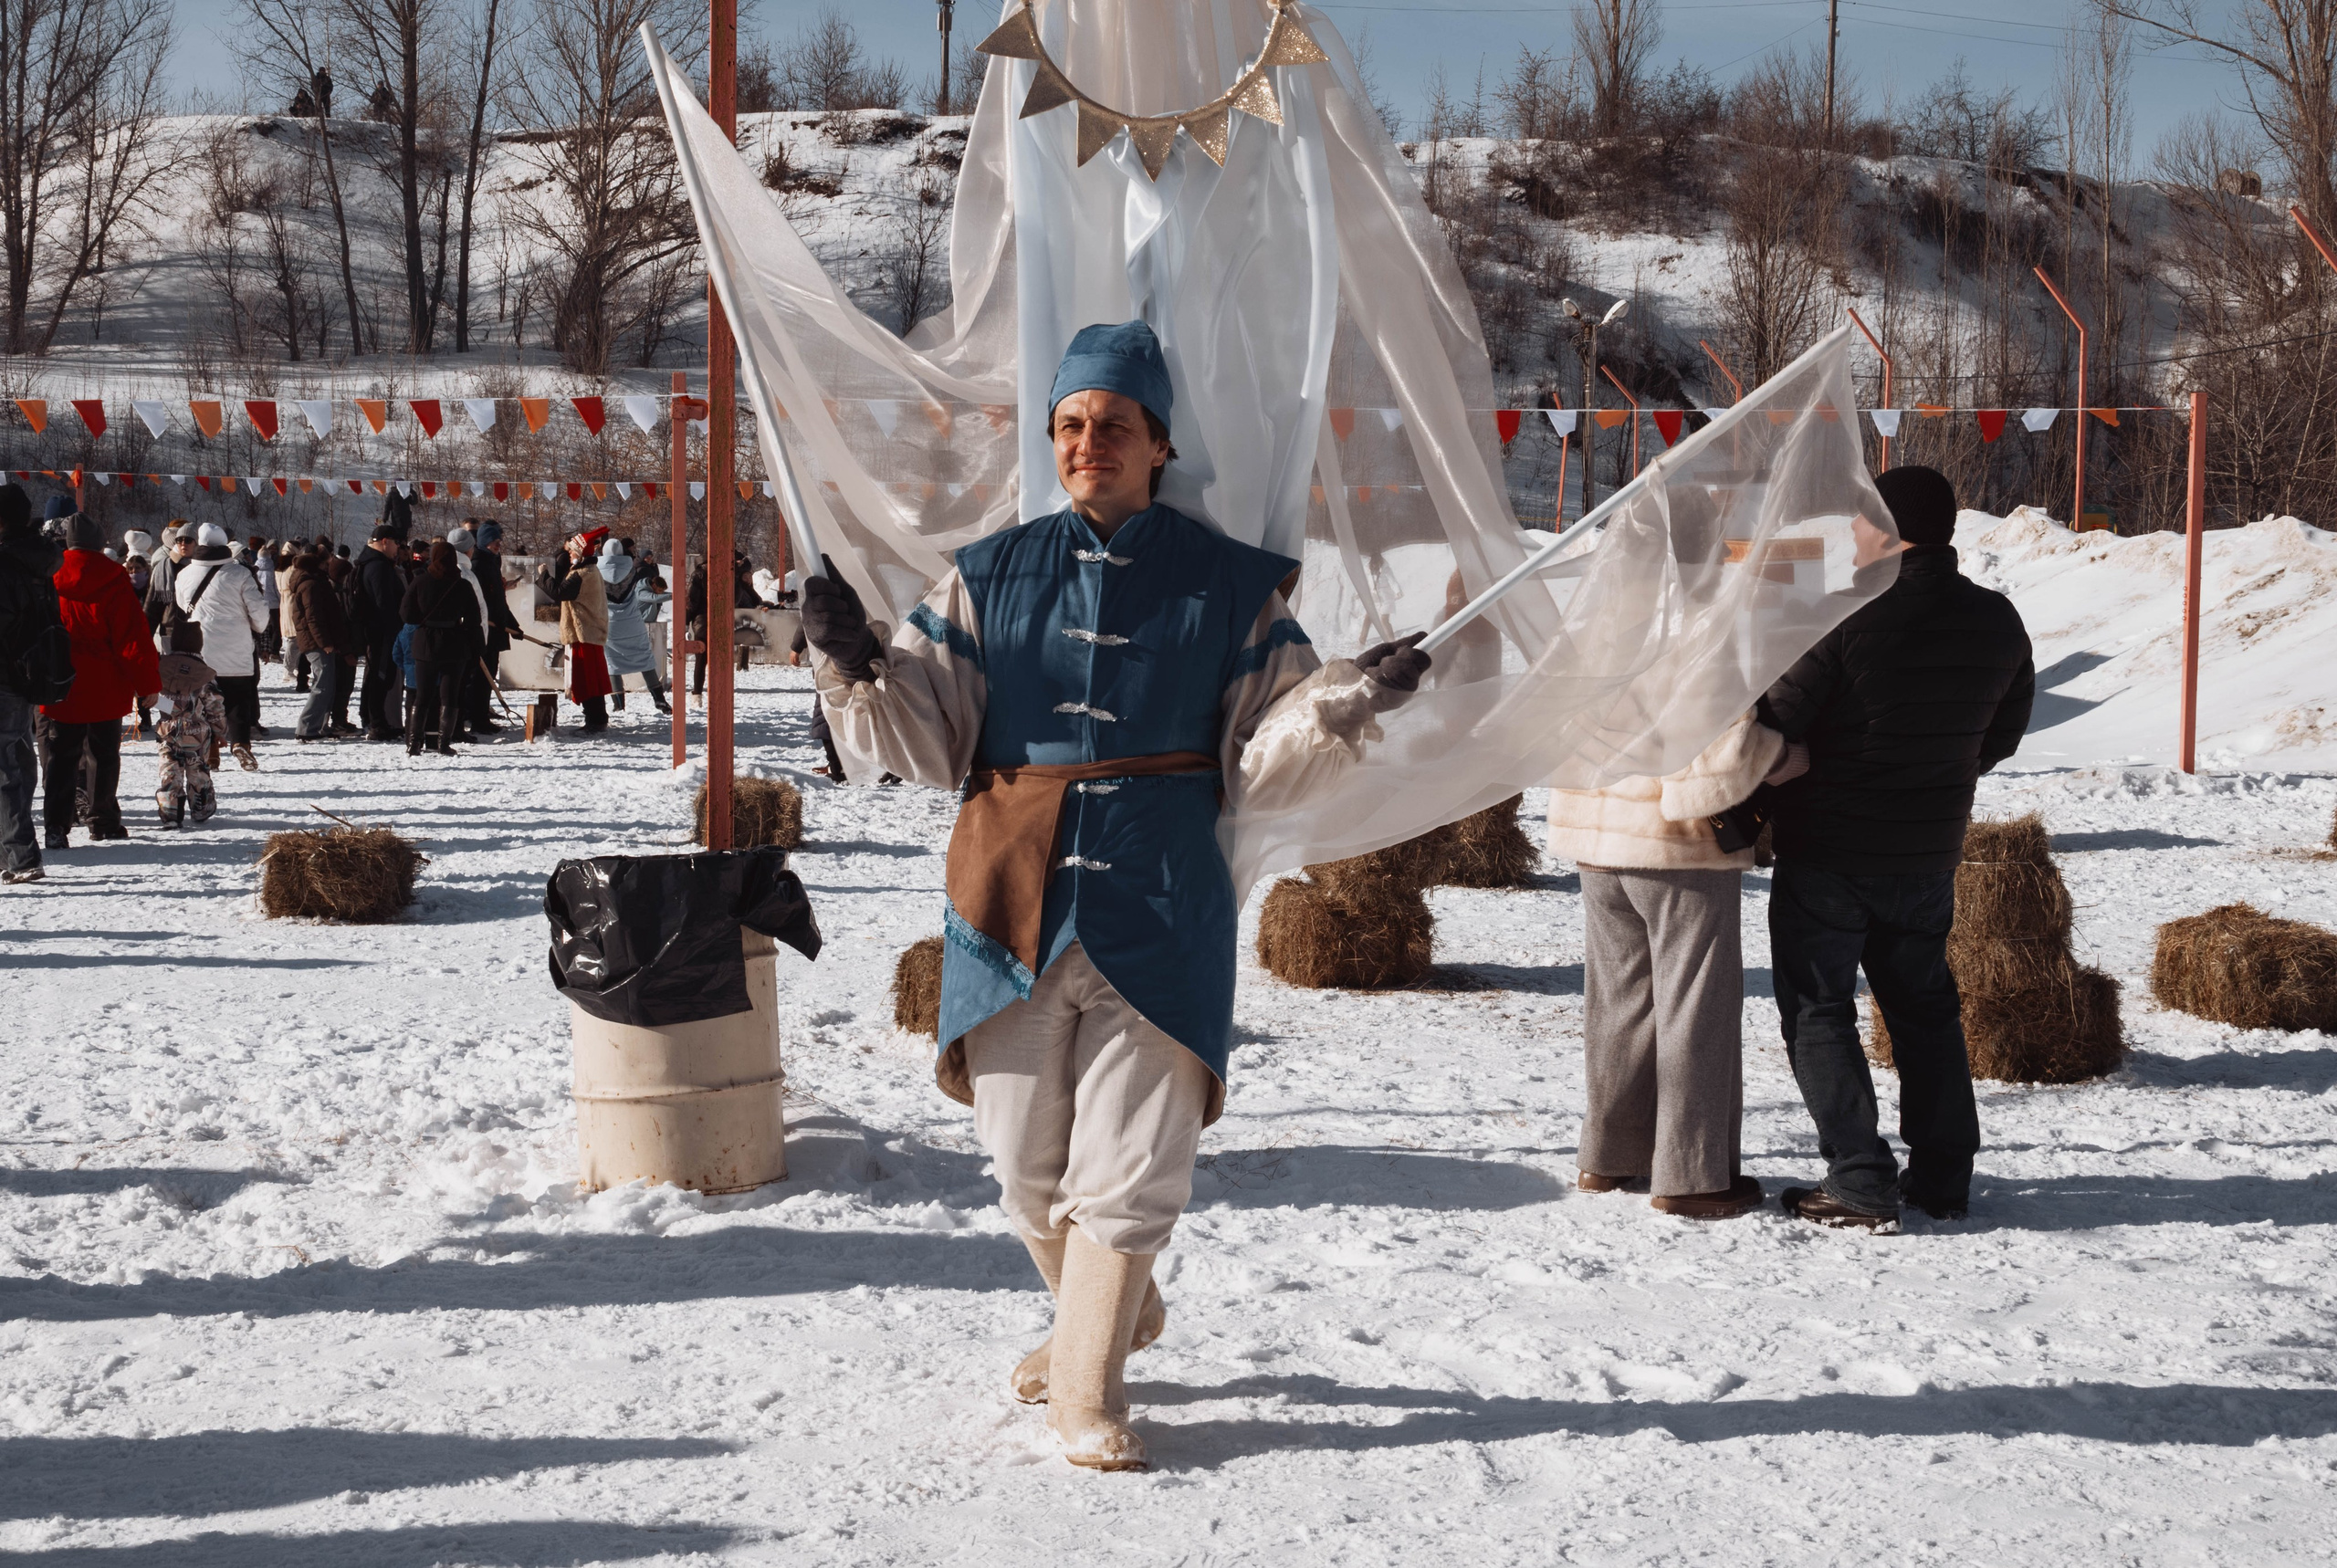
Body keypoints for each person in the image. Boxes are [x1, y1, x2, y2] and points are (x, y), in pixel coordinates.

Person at [802, 321, 1431, 1469]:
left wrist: (1346, 697)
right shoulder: (986, 573)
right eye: (1073, 425)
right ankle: (1116, 1304)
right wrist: (851, 663)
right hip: (1005, 876)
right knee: (1020, 1157)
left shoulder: (1231, 585)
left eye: (1115, 425)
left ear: (1159, 445)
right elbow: (924, 742)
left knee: (1133, 1156)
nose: (1092, 441)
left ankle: (1085, 1385)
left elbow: (1268, 747)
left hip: (1163, 883)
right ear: (1055, 441)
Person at [1758, 465, 2036, 1231]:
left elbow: (1776, 725)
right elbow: (2001, 736)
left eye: (1859, 519)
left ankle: (1858, 1179)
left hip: (1830, 850)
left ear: (1885, 526)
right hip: (1929, 852)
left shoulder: (1843, 616)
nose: (1851, 532)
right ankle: (1944, 1177)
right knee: (1925, 1012)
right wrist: (1935, 772)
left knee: (1818, 1011)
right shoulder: (1998, 618)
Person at [1546, 711, 1800, 1219]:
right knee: (1697, 1007)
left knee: (1619, 1000)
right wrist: (1785, 755)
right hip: (1676, 843)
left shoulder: (1593, 631)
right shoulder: (1694, 630)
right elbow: (1721, 743)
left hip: (1595, 833)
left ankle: (1607, 1156)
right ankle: (1691, 1176)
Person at [37, 510, 160, 847]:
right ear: (98, 542)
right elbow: (131, 638)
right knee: (103, 756)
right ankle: (102, 821)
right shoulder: (115, 578)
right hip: (106, 683)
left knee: (60, 759)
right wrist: (147, 683)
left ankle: (56, 827)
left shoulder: (48, 575)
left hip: (59, 681)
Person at [0, 484, 64, 883]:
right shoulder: (39, 558)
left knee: (6, 765)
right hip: (30, 669)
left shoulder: (6, 562)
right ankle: (13, 847)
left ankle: (20, 854)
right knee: (19, 757)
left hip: (5, 669)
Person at [174, 522, 269, 770]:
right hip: (236, 647)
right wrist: (258, 627)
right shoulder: (239, 573)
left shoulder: (184, 574)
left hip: (200, 648)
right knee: (239, 698)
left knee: (205, 702)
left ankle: (212, 751)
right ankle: (240, 744)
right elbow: (258, 610)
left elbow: (182, 607)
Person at [400, 539, 482, 756]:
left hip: (425, 641)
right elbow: (474, 619)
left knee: (422, 695)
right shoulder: (462, 584)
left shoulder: (420, 582)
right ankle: (444, 743)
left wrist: (425, 621)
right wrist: (476, 646)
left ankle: (413, 743)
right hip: (455, 643)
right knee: (450, 696)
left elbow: (406, 614)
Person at [286, 543, 362, 741]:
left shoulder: (313, 581)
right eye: (328, 560)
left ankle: (318, 725)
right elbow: (314, 618)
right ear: (320, 563)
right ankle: (307, 727)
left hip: (318, 641)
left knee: (326, 684)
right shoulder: (311, 584)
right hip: (316, 643)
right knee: (322, 685)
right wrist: (324, 642)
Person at [152, 625, 225, 827]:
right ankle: (201, 807)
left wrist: (170, 707)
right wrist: (219, 731)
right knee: (198, 771)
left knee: (170, 771)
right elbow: (214, 706)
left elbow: (148, 696)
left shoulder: (161, 668)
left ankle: (170, 811)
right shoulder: (204, 673)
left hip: (167, 731)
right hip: (197, 733)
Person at [548, 527, 612, 734]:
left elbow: (559, 593)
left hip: (584, 632)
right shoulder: (589, 571)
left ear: (581, 552)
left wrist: (543, 576)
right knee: (590, 678)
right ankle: (595, 718)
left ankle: (595, 720)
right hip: (589, 632)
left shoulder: (582, 574)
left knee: (588, 679)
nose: (569, 553)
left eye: (572, 550)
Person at [599, 538, 670, 716]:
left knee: (612, 662)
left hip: (610, 621)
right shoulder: (630, 568)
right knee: (644, 657)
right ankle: (659, 698)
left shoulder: (597, 571)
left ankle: (619, 704)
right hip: (632, 621)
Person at [351, 523, 409, 741]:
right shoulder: (378, 566)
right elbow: (384, 603)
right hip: (382, 632)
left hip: (379, 630)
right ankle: (376, 723)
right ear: (385, 542)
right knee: (381, 677)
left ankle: (378, 720)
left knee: (380, 677)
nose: (398, 548)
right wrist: (396, 629)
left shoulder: (373, 563)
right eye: (396, 544)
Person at [443, 526, 504, 737]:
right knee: (460, 685)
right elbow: (475, 609)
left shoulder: (449, 570)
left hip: (456, 637)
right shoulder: (466, 573)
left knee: (456, 685)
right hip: (466, 637)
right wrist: (479, 639)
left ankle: (456, 725)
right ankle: (457, 727)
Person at [468, 520, 525, 729]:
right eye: (494, 541)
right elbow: (481, 601)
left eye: (499, 541)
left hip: (496, 629)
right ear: (484, 541)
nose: (498, 544)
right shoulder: (478, 564)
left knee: (490, 674)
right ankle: (478, 719)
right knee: (481, 677)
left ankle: (482, 715)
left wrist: (513, 625)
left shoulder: (492, 562)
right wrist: (496, 623)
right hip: (485, 630)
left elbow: (499, 601)